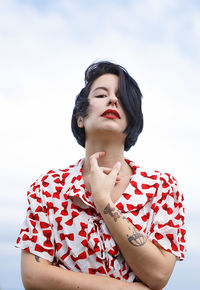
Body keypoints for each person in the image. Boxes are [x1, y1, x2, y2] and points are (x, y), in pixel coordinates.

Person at [16, 61, 186, 290]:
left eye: (121, 97)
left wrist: (104, 201)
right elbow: (33, 277)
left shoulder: (162, 188)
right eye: (101, 94)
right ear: (80, 117)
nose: (113, 100)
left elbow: (158, 274)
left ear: (132, 118)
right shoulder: (48, 187)